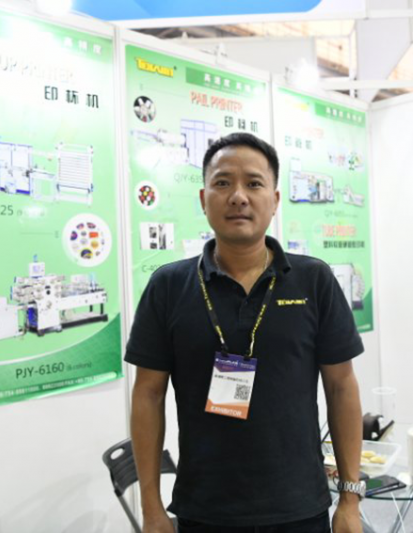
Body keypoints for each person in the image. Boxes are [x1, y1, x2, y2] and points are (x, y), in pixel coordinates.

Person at [126, 132, 365, 533]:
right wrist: (151, 509)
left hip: (299, 508)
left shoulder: (314, 280)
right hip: (204, 510)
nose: (238, 196)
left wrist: (350, 499)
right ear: (203, 199)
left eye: (254, 183)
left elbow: (341, 387)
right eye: (222, 183)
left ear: (275, 199)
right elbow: (147, 395)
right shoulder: (168, 286)